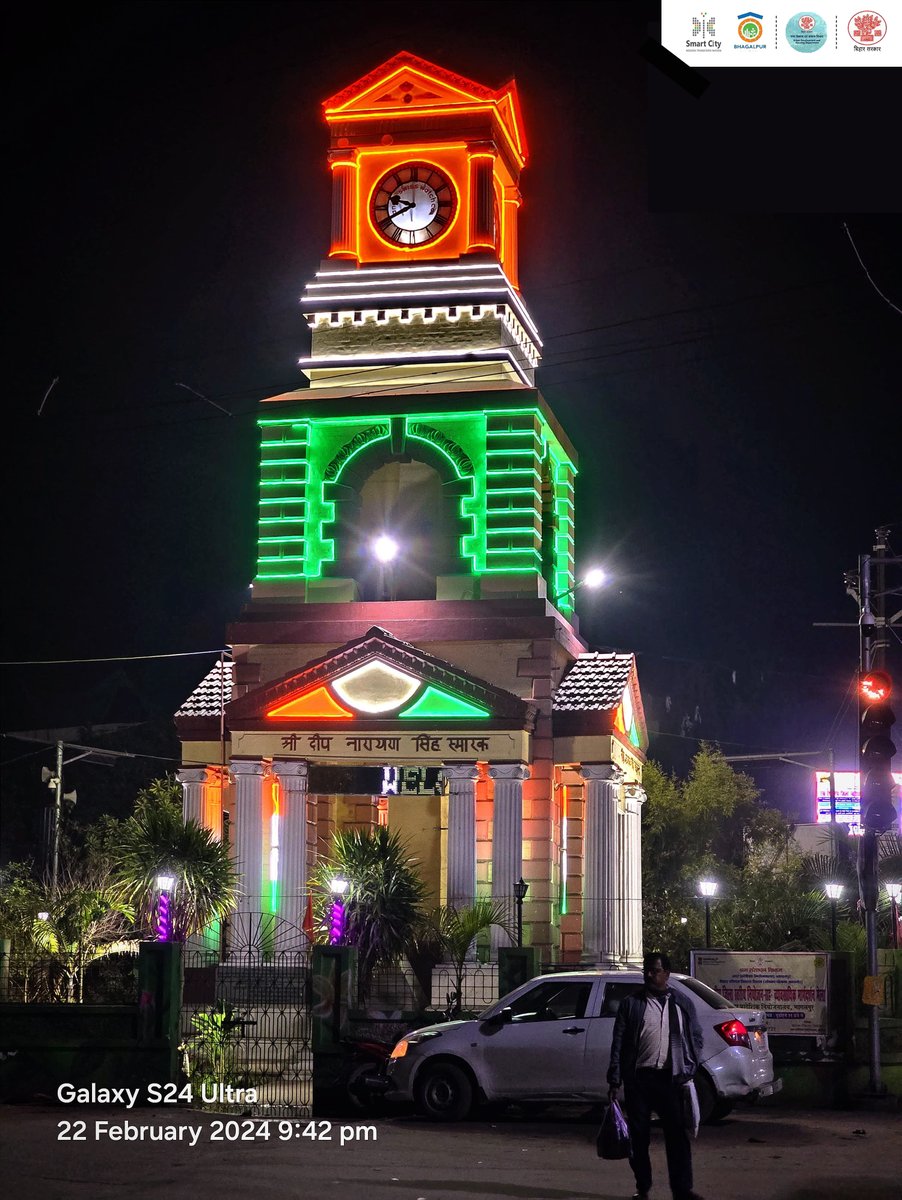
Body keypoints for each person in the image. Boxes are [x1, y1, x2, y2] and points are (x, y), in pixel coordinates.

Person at [607, 952, 706, 1200]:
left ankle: (682, 1189)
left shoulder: (682, 1004)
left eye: (655, 970)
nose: (650, 975)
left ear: (667, 974)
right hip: (639, 1080)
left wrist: (689, 1067)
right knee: (639, 1139)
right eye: (647, 971)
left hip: (669, 1080)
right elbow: (618, 1042)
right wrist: (615, 1078)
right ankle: (643, 1187)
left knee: (677, 1137)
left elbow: (696, 1038)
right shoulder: (632, 1004)